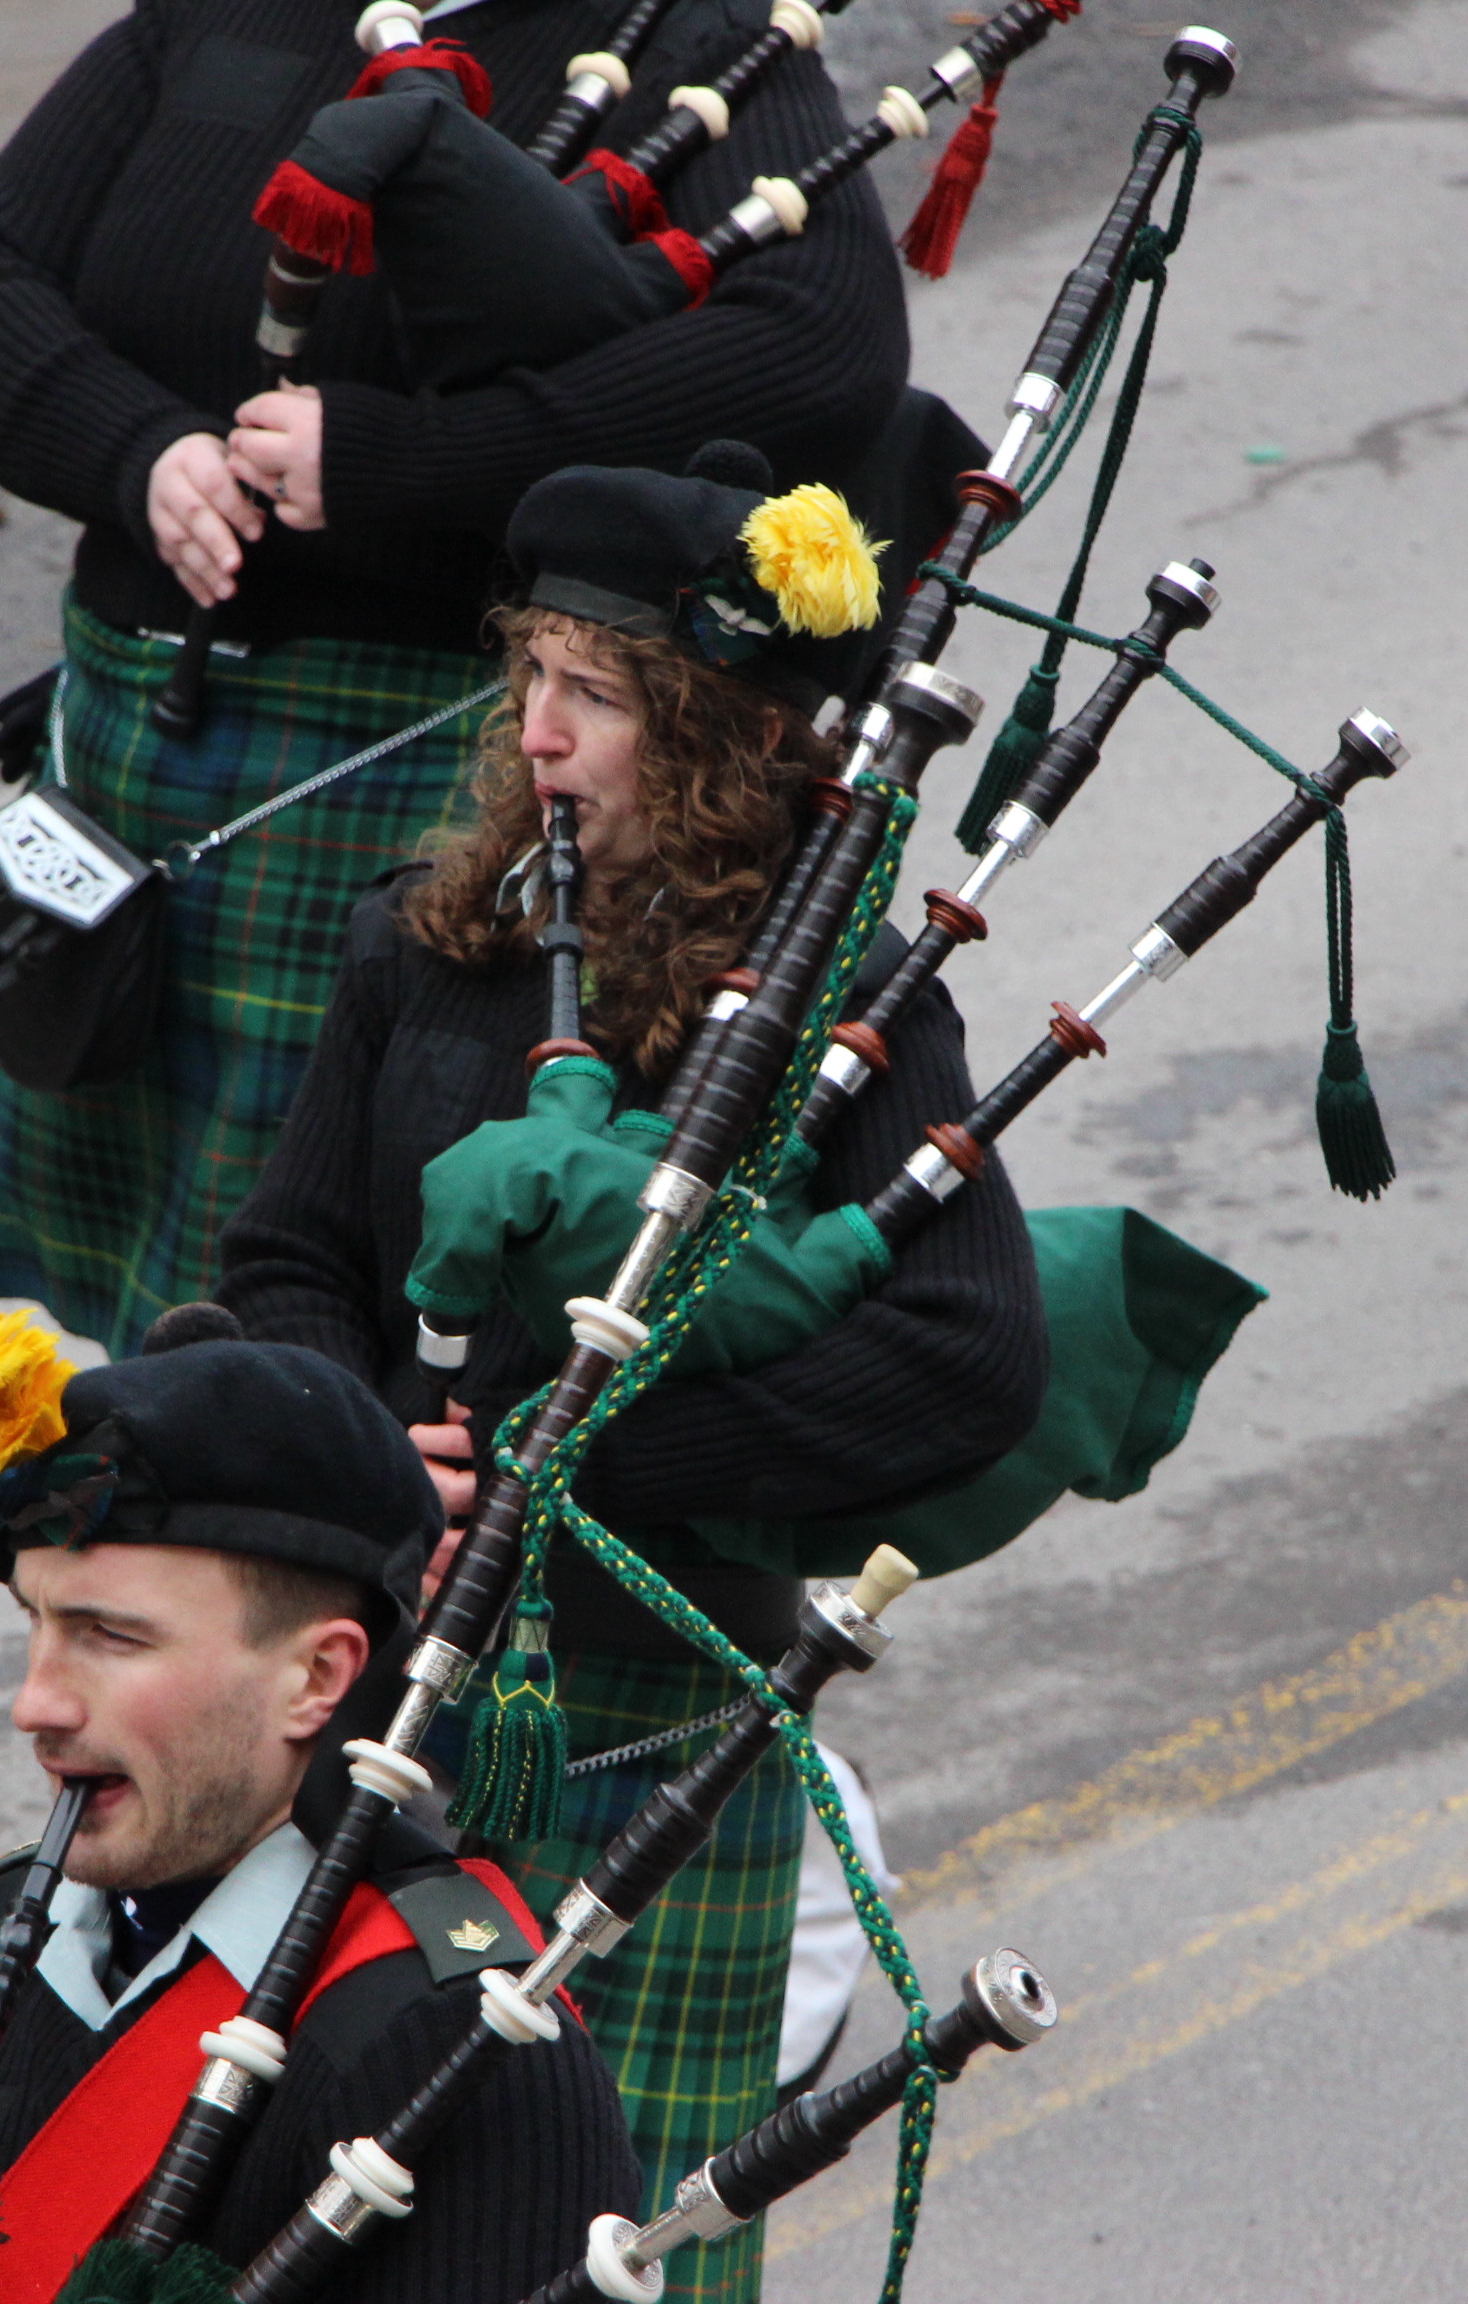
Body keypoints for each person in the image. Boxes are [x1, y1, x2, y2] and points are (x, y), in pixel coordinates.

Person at [214, 451, 1045, 2304]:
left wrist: (587, 1463)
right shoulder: (424, 941)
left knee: (616, 2246)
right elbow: (285, 1258)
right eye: (531, 678)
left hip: (657, 1712)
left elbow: (970, 1356)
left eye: (592, 693)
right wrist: (374, 1453)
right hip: (377, 1675)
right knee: (324, 2218)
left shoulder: (845, 994)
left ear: (718, 741)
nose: (539, 734)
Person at [0, 0, 909, 1354]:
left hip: (425, 753)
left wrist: (411, 462)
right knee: (146, 1277)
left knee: (320, 1280)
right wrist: (136, 453)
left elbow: (819, 349)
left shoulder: (687, 39)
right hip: (137, 741)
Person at [0, 1313, 636, 2304]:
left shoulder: (463, 2054)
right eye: (36, 1621)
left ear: (316, 1677)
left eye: (111, 1636)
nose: (35, 1705)